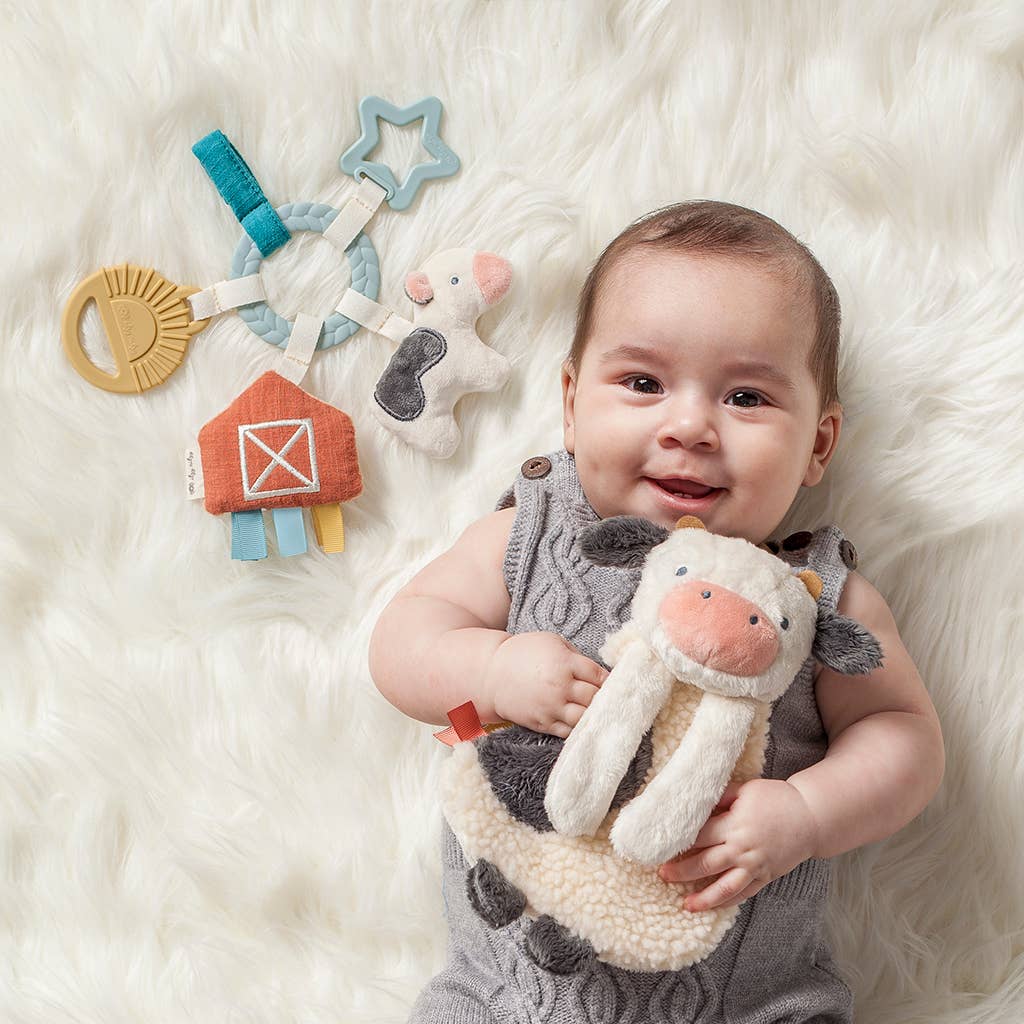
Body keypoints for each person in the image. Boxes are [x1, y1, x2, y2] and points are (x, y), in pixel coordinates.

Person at [369, 200, 945, 1023]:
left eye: (746, 396)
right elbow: (403, 638)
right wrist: (490, 669)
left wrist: (808, 812)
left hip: (752, 1005)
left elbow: (905, 737)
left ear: (818, 444)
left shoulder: (819, 600)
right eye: (643, 383)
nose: (690, 426)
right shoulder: (530, 535)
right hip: (503, 997)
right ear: (571, 405)